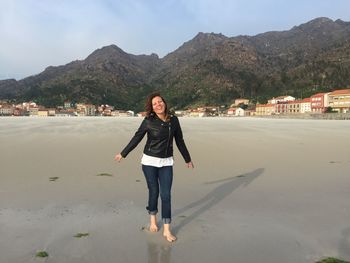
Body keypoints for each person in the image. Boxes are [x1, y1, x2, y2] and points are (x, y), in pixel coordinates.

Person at [114, 93, 194, 242]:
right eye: (154, 103)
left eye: (160, 101)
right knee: (154, 191)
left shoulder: (174, 121)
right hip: (149, 162)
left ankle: (167, 230)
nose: (158, 104)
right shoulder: (148, 121)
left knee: (166, 195)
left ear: (164, 103)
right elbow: (137, 138)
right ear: (151, 107)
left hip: (166, 162)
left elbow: (180, 141)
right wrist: (123, 153)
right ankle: (152, 220)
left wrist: (187, 159)